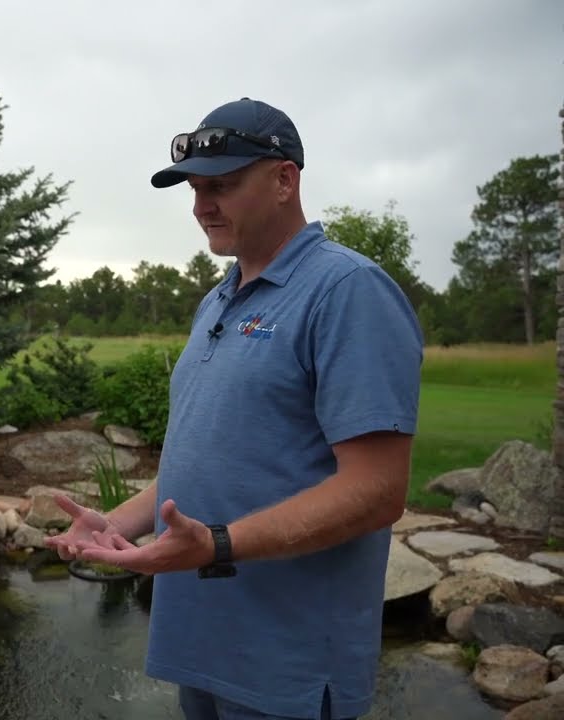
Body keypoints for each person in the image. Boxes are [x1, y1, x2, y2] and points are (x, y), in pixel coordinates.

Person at [46, 98, 422, 720]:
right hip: (200, 646)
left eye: (221, 184)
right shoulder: (217, 300)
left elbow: (378, 490)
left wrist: (217, 544)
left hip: (286, 664)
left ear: (284, 180)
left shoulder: (346, 291)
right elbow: (213, 460)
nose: (201, 206)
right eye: (195, 189)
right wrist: (116, 525)